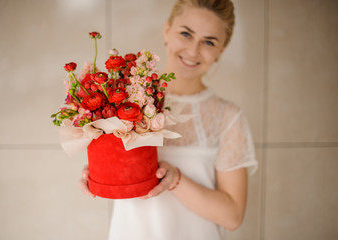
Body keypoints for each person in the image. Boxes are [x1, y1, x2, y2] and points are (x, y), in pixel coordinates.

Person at [79, 0, 258, 239]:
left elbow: (233, 216)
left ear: (221, 50)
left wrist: (175, 180)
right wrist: (101, 172)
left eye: (209, 42)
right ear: (167, 31)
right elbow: (115, 168)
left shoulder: (228, 117)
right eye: (186, 34)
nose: (193, 51)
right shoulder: (121, 99)